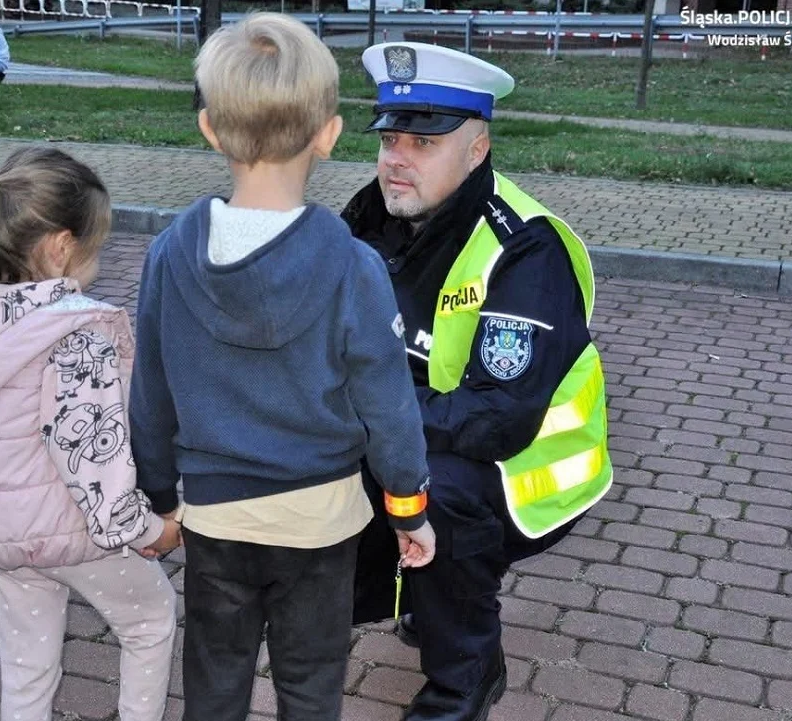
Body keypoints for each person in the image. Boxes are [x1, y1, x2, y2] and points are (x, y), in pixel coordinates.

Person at [128, 14, 436, 721]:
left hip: (214, 512)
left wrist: (160, 497)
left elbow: (150, 394)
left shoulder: (171, 254)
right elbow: (387, 404)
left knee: (213, 676)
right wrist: (409, 506)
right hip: (319, 517)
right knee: (310, 681)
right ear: (329, 135)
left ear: (210, 129)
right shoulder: (352, 265)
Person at [341, 42, 614, 721]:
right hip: (419, 429)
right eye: (390, 138)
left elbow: (499, 420)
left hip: (526, 470)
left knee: (437, 487)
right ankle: (408, 596)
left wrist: (364, 418)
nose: (396, 158)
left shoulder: (524, 247)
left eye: (422, 142)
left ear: (476, 147)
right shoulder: (369, 218)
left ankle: (464, 677)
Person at [0, 147, 181, 721]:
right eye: (97, 245)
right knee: (148, 619)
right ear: (61, 247)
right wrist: (149, 529)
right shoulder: (74, 332)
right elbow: (92, 456)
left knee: (26, 658)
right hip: (67, 528)